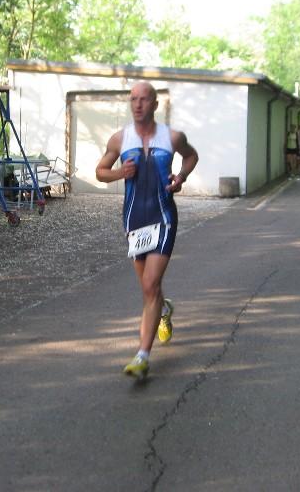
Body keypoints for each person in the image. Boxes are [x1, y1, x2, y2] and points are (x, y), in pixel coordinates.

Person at [95, 82, 199, 380]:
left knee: (151, 284)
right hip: (134, 221)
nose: (138, 104)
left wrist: (180, 177)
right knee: (148, 288)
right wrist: (120, 172)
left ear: (155, 104)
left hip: (163, 217)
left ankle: (142, 356)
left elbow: (191, 156)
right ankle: (163, 310)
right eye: (133, 99)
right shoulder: (120, 139)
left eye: (144, 99)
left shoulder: (172, 137)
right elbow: (100, 172)